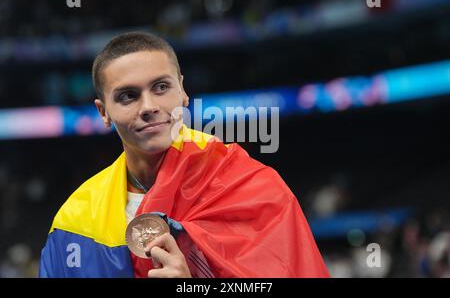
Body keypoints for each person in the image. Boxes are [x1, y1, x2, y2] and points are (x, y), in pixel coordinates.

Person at [39, 31, 329, 278]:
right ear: (104, 112)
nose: (149, 106)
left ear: (183, 91)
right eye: (128, 95)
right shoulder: (75, 220)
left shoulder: (255, 188)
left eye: (161, 87)